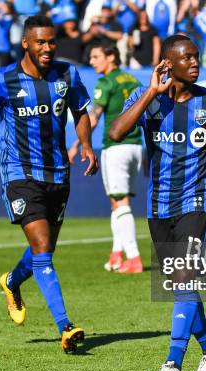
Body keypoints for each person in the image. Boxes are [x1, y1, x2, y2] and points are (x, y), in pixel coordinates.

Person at [0, 16, 98, 353]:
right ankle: (65, 326)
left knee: (44, 251)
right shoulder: (3, 79)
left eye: (52, 42)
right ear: (26, 43)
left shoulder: (67, 74)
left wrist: (87, 144)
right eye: (40, 42)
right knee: (41, 249)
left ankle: (11, 280)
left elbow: (81, 111)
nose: (48, 48)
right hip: (20, 173)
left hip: (58, 172)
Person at [109, 34, 206, 371]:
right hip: (157, 205)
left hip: (196, 201)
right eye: (188, 58)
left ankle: (172, 360)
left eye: (197, 57)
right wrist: (151, 91)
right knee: (181, 286)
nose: (196, 63)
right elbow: (117, 131)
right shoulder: (148, 100)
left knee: (185, 277)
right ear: (168, 64)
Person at [69, 43, 143, 273]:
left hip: (116, 147)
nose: (92, 62)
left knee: (119, 202)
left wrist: (75, 145)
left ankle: (134, 259)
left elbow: (93, 118)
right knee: (117, 203)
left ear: (111, 57)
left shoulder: (106, 82)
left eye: (96, 56)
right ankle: (116, 255)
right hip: (136, 147)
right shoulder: (133, 81)